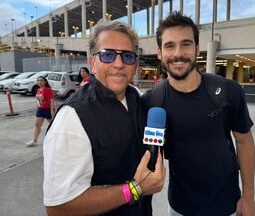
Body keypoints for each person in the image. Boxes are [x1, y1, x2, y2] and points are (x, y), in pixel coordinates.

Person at [43, 20, 166, 215]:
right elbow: (58, 208)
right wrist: (136, 189)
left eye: (127, 56)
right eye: (108, 55)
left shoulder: (135, 96)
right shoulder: (71, 119)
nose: (118, 64)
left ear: (135, 64)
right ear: (93, 62)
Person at [142, 12, 255, 216]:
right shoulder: (151, 101)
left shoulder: (229, 91)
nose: (178, 53)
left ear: (196, 49)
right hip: (179, 207)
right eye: (169, 46)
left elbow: (244, 142)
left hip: (227, 205)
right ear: (159, 53)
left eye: (185, 44)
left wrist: (248, 197)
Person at [26, 76, 55, 147]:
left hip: (47, 109)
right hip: (40, 109)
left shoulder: (48, 89)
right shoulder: (38, 90)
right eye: (38, 80)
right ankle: (34, 140)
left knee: (53, 125)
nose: (39, 81)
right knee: (37, 125)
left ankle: (58, 138)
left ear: (45, 82)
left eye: (41, 80)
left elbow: (52, 100)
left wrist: (52, 110)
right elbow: (38, 100)